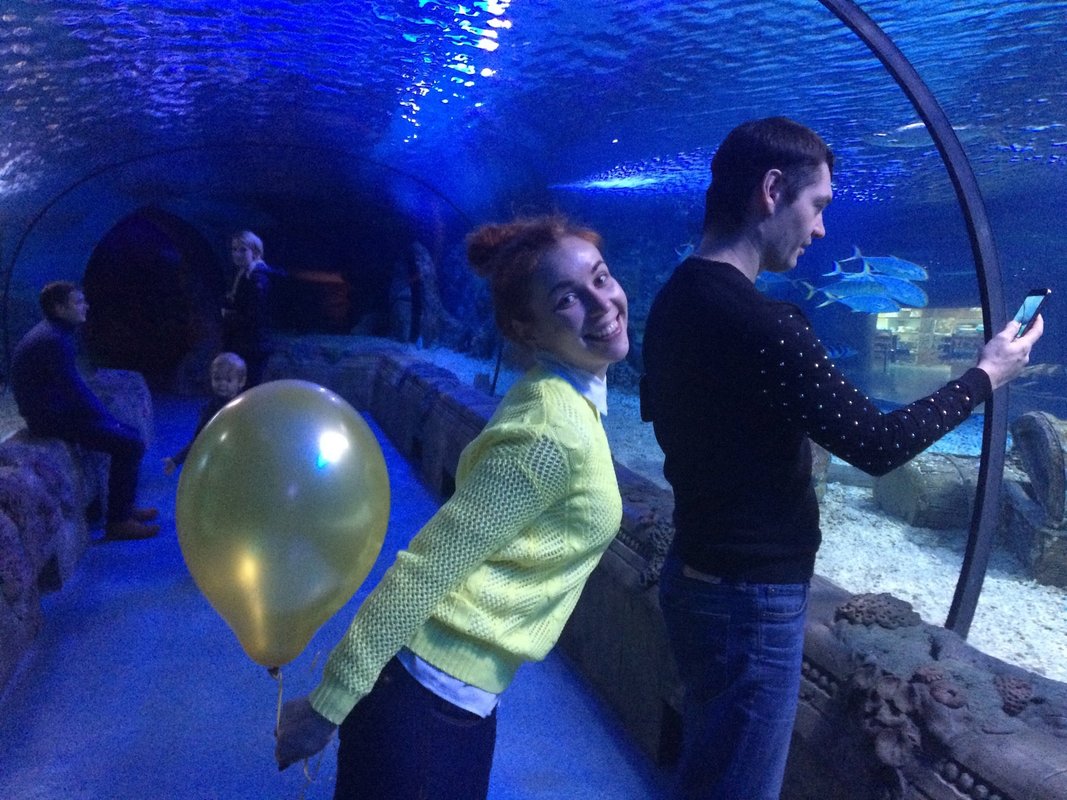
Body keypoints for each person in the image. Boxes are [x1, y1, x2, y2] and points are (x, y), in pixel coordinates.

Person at [639, 116, 1043, 800]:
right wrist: (984, 376)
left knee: (708, 764)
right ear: (771, 190)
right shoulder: (765, 326)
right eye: (818, 205)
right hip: (751, 599)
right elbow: (876, 445)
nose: (822, 229)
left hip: (694, 574)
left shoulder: (677, 298)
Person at [274, 214, 630, 799]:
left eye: (601, 277)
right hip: (426, 706)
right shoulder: (551, 431)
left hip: (456, 701)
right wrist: (328, 705)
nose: (602, 303)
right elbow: (427, 569)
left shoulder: (564, 398)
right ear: (527, 329)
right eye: (567, 298)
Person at [11, 281, 160, 540]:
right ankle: (119, 522)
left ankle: (123, 509)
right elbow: (74, 390)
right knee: (129, 444)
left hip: (54, 411)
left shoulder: (53, 334)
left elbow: (71, 389)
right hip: (50, 418)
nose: (86, 306)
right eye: (78, 302)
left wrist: (105, 419)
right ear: (59, 308)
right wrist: (105, 418)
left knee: (128, 435)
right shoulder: (53, 340)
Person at [162, 352, 246, 476]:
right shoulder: (210, 410)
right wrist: (176, 460)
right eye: (217, 378)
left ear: (241, 382)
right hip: (219, 460)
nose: (222, 383)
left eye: (228, 380)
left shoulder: (246, 405)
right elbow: (198, 441)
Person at [221, 230, 274, 386]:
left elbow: (255, 314)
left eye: (243, 250)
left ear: (255, 252)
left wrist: (230, 316)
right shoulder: (243, 274)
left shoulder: (258, 278)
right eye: (234, 249)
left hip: (253, 345)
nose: (237, 254)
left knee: (249, 386)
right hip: (243, 342)